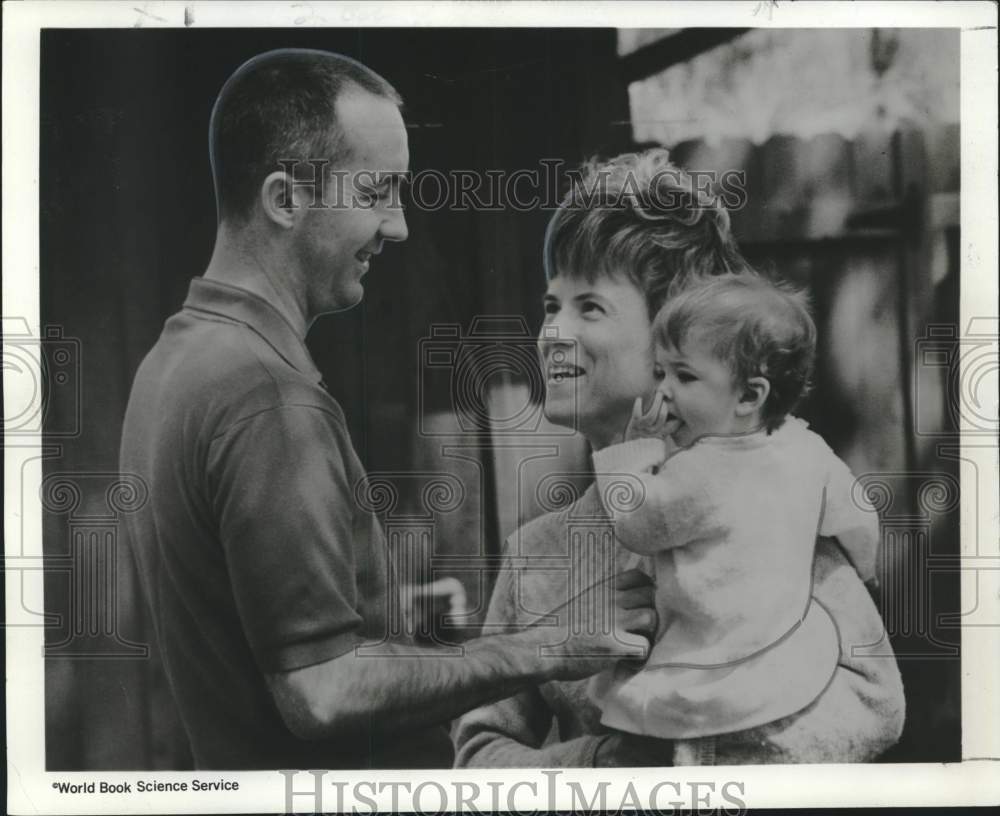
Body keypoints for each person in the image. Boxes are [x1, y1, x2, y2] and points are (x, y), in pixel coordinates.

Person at [119, 49, 657, 770]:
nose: (398, 227)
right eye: (377, 192)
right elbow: (323, 692)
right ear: (285, 199)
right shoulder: (263, 391)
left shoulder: (175, 360)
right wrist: (548, 647)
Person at [453, 148, 905, 767]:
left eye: (591, 306)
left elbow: (873, 702)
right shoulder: (539, 553)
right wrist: (597, 766)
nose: (554, 332)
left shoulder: (773, 508)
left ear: (680, 334)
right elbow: (478, 754)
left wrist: (703, 772)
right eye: (551, 305)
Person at [588, 272, 883, 747]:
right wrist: (865, 568)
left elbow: (636, 522)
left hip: (713, 659)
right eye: (660, 371)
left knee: (646, 719)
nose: (662, 391)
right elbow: (858, 518)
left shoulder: (699, 473)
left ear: (749, 396)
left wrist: (635, 451)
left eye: (684, 376)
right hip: (784, 647)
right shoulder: (808, 451)